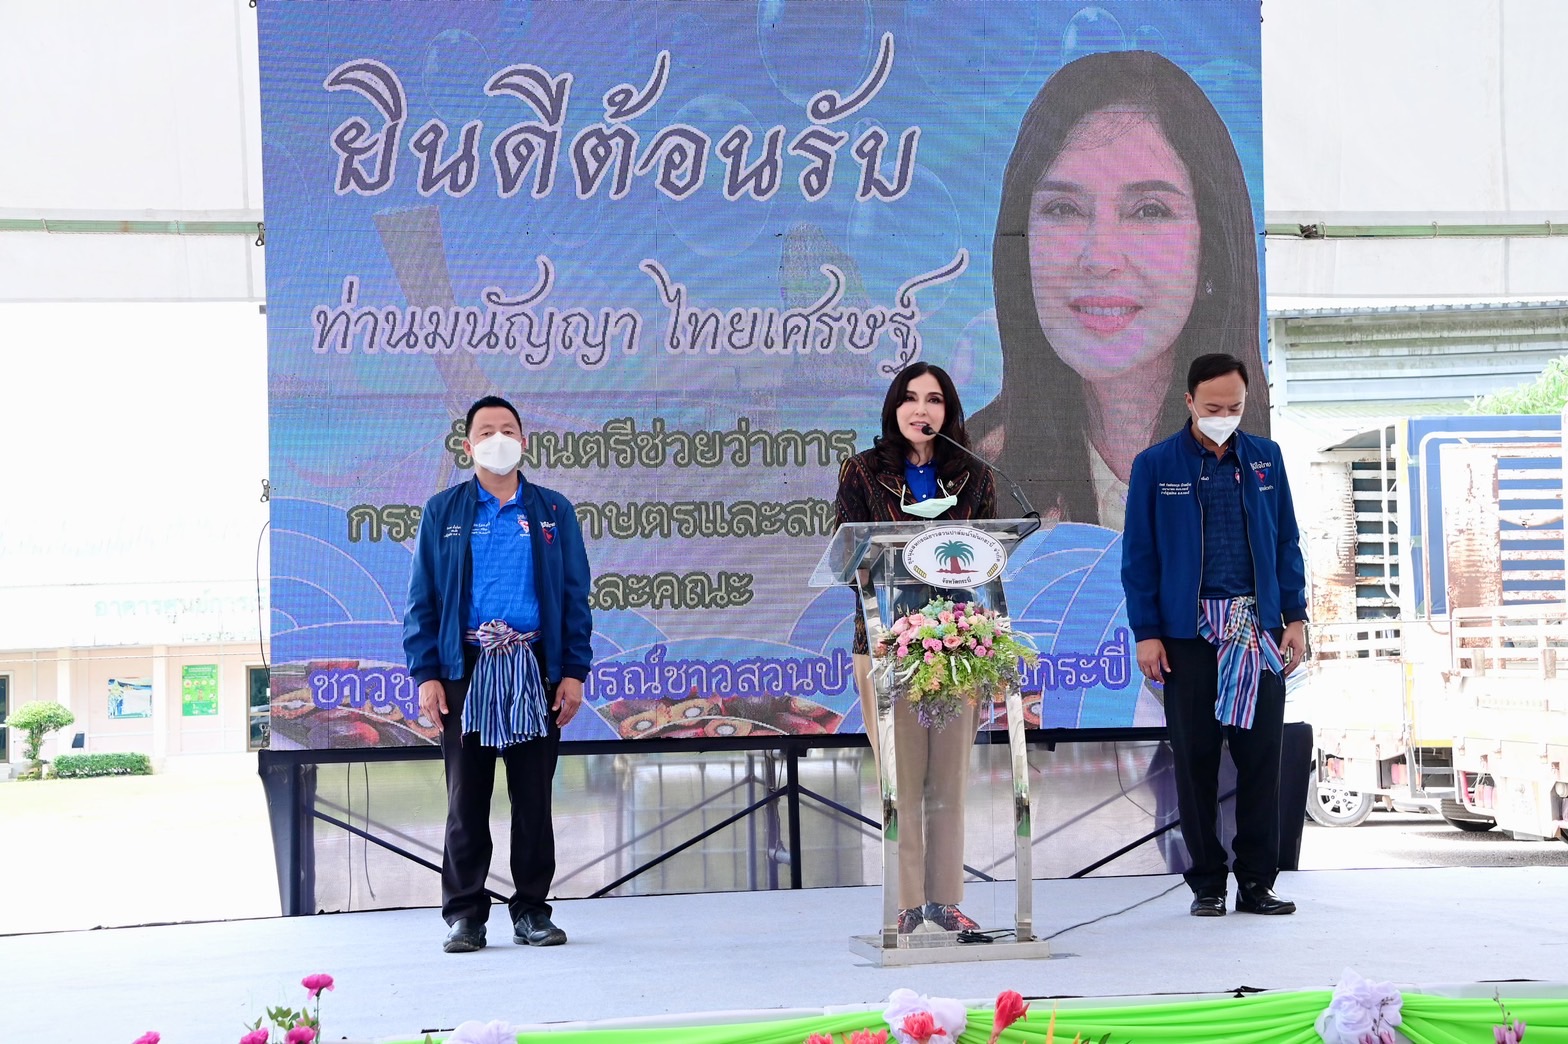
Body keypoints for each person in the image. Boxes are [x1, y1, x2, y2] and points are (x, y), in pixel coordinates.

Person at [971, 49, 1268, 529]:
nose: (1100, 257)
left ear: (1210, 247)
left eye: (1149, 210)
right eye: (1063, 209)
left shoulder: (1257, 465)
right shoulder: (962, 476)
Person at [404, 395, 594, 952]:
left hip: (536, 670)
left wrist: (573, 671)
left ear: (524, 440)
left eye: (507, 429)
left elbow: (574, 597)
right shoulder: (444, 512)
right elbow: (423, 598)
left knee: (533, 797)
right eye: (485, 431)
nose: (497, 438)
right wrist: (427, 672)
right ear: (468, 446)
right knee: (467, 799)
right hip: (466, 669)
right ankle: (466, 914)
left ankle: (532, 910)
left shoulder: (554, 511)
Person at [1121, 353, 1308, 917]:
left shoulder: (1265, 459)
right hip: (1187, 636)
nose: (1224, 415)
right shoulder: (1156, 464)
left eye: (1235, 407)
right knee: (1195, 760)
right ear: (1188, 403)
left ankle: (1257, 883)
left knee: (1260, 761)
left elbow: (1286, 543)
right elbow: (1140, 556)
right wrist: (1147, 632)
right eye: (1212, 407)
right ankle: (1206, 883)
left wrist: (1295, 616)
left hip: (1258, 631)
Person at [834, 362, 997, 934]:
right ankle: (906, 903)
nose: (920, 410)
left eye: (933, 400)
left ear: (949, 412)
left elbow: (986, 550)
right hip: (886, 641)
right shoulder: (862, 472)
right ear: (893, 409)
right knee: (900, 781)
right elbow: (846, 556)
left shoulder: (972, 474)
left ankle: (945, 901)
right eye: (909, 399)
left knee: (948, 781)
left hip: (960, 641)